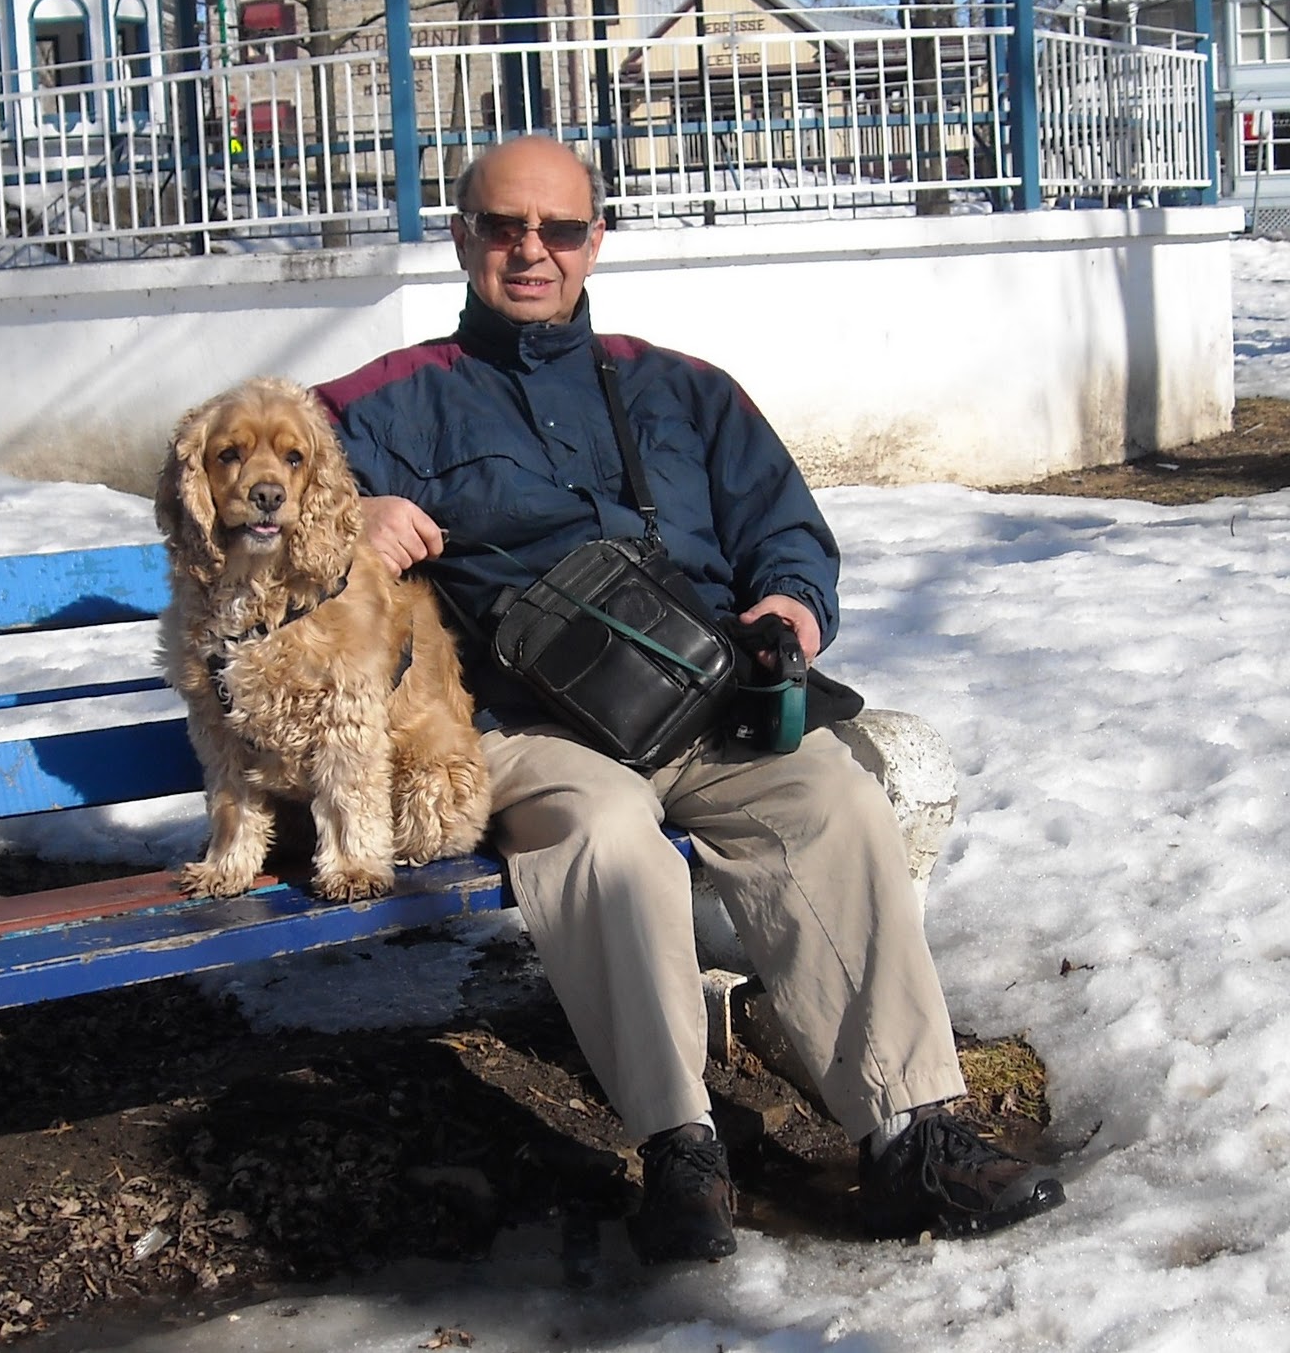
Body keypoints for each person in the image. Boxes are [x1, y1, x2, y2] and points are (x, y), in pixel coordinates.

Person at [315, 134, 1065, 1264]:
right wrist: (344, 513)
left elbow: (786, 532)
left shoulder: (684, 388)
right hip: (530, 724)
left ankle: (911, 1134)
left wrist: (789, 611)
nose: (532, 251)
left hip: (703, 701)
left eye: (560, 229)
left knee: (830, 798)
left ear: (596, 239)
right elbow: (238, 472)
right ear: (463, 236)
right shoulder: (389, 401)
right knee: (608, 835)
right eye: (505, 227)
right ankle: (681, 1149)